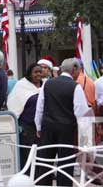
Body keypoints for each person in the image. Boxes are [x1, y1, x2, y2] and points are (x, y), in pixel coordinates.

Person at [35, 58, 90, 186]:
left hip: (48, 126)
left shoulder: (47, 84)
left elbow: (40, 107)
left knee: (45, 160)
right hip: (67, 128)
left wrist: (38, 126)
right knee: (65, 162)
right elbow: (81, 113)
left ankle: (44, 184)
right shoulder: (75, 87)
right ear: (74, 70)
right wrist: (84, 132)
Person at [7, 63, 42, 169]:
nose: (38, 74)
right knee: (28, 155)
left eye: (40, 72)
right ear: (29, 73)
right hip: (27, 127)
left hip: (41, 126)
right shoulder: (21, 85)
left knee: (40, 154)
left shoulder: (45, 85)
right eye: (35, 72)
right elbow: (13, 102)